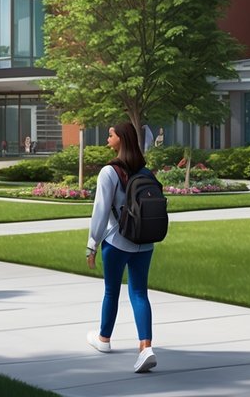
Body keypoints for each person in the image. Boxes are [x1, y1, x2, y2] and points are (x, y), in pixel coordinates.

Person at [85, 122, 157, 374]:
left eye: (111, 134)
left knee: (111, 292)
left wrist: (91, 245)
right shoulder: (146, 171)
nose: (108, 137)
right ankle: (146, 347)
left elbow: (100, 211)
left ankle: (104, 339)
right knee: (139, 293)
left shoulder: (109, 172)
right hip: (145, 243)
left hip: (116, 242)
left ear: (122, 139)